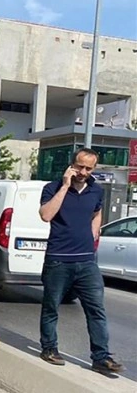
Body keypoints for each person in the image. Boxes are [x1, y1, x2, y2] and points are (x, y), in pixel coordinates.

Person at [38, 148, 123, 374]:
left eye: (88, 168)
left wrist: (94, 231)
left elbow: (97, 212)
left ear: (94, 168)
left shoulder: (96, 190)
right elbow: (46, 215)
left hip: (87, 262)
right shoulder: (52, 188)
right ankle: (49, 348)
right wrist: (65, 186)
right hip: (58, 260)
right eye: (79, 166)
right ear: (71, 164)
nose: (83, 172)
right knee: (51, 307)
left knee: (96, 310)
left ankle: (101, 357)